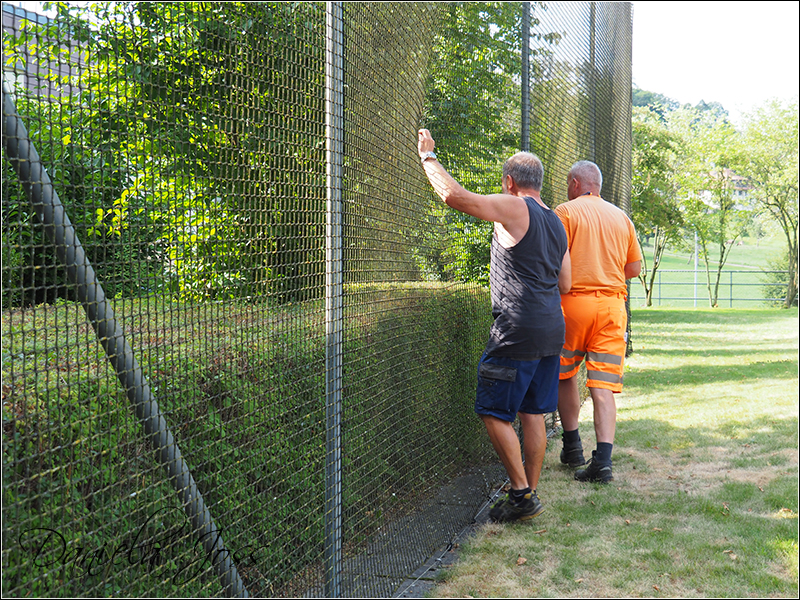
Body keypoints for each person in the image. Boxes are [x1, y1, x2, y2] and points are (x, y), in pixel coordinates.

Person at [418, 128, 571, 522]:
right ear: (539, 181)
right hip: (552, 327)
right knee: (532, 413)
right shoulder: (556, 222)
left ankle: (521, 493)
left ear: (509, 182)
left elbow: (455, 198)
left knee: (492, 410)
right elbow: (566, 282)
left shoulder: (515, 206)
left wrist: (428, 158)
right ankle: (528, 494)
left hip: (517, 328)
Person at [554, 160, 642, 483]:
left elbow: (555, 258)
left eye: (567, 182)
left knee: (565, 373)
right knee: (603, 387)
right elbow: (634, 268)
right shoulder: (622, 217)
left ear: (576, 183)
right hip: (612, 309)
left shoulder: (564, 212)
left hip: (573, 306)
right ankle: (602, 462)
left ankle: (573, 445)